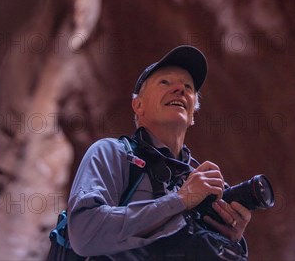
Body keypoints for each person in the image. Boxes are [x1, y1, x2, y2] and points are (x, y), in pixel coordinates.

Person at [68, 45, 251, 260]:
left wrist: (232, 241)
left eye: (188, 87)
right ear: (138, 106)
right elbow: (84, 234)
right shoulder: (113, 154)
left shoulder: (200, 180)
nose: (180, 90)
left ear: (193, 116)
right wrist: (180, 200)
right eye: (165, 82)